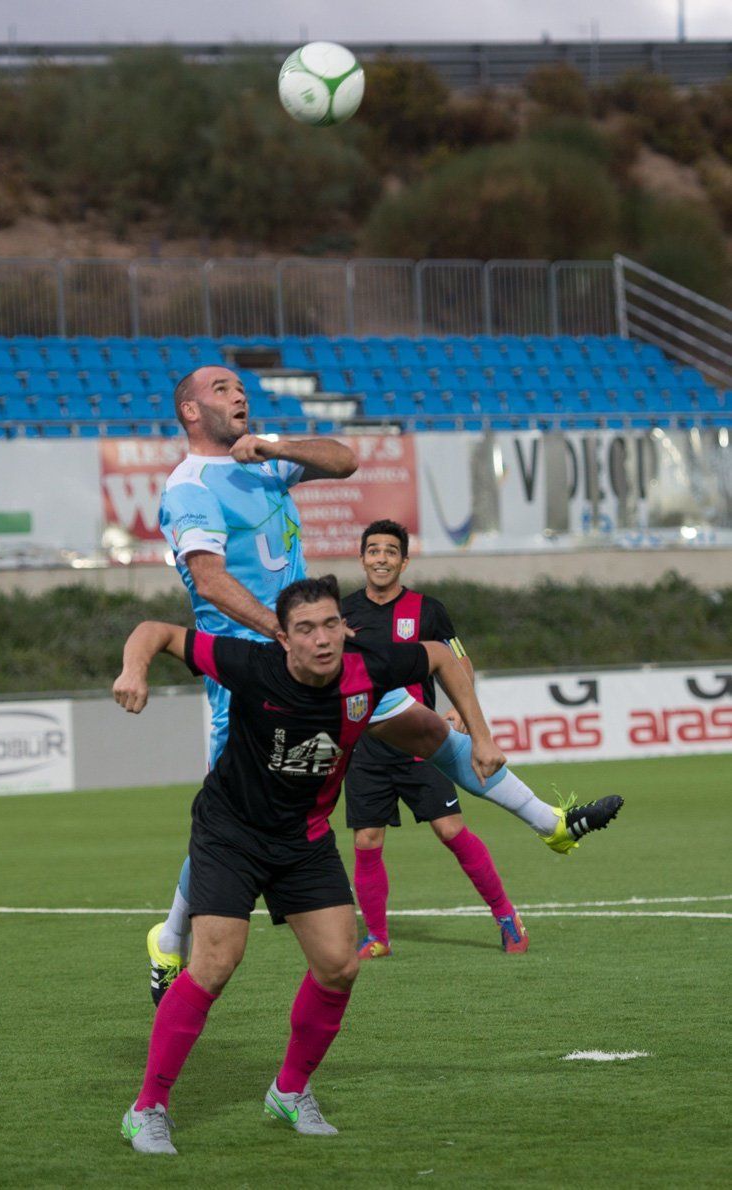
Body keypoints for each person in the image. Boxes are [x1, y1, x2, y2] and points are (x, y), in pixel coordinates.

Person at [148, 364, 624, 1004]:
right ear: (190, 412)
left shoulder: (262, 461)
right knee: (236, 809)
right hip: (251, 670)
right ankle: (170, 938)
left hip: (318, 652)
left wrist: (279, 447)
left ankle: (552, 823)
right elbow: (208, 581)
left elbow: (344, 461)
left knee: (425, 726)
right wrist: (279, 633)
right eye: (221, 390)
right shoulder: (189, 487)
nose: (238, 395)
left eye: (240, 387)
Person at [113, 575, 508, 1154]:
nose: (322, 639)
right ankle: (147, 1107)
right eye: (306, 629)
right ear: (284, 636)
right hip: (231, 833)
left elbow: (441, 655)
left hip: (304, 838)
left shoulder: (368, 666)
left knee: (339, 966)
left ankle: (289, 1091)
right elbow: (158, 632)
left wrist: (479, 732)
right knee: (216, 963)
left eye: (330, 624)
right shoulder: (250, 664)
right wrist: (133, 669)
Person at [343, 519, 527, 956]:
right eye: (373, 550)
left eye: (390, 551)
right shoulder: (343, 612)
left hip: (419, 741)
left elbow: (459, 662)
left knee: (450, 829)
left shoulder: (428, 610)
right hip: (365, 744)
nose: (381, 558)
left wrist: (461, 711)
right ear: (362, 558)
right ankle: (376, 937)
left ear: (404, 561)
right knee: (367, 840)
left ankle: (506, 915)